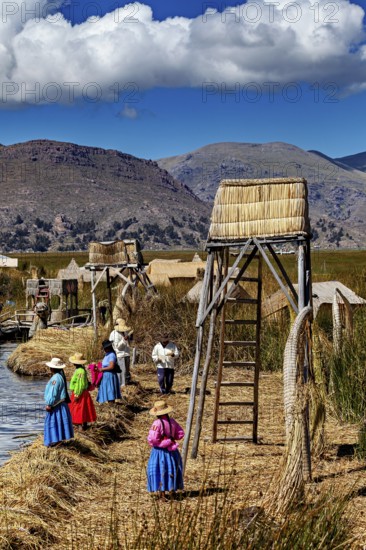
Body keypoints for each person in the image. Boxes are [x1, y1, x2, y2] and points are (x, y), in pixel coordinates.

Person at [147, 400, 184, 498]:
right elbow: (180, 434)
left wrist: (160, 443)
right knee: (171, 468)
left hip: (160, 452)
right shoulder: (172, 421)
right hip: (172, 451)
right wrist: (170, 439)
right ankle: (172, 491)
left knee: (160, 469)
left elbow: (153, 438)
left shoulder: (157, 423)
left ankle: (162, 494)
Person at [44, 357, 74, 447]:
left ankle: (57, 441)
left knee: (54, 423)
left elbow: (53, 393)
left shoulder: (55, 379)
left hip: (56, 405)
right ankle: (58, 440)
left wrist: (49, 404)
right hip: (61, 405)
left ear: (52, 368)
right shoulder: (60, 376)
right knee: (59, 423)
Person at [68, 352, 97, 431]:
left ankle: (80, 427)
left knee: (78, 410)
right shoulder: (80, 370)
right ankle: (83, 426)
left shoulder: (80, 371)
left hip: (79, 393)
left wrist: (77, 395)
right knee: (83, 409)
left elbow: (80, 384)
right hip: (83, 393)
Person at [109, 318, 133, 386]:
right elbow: (117, 347)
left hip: (127, 353)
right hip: (120, 355)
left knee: (127, 371)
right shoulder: (114, 334)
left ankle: (127, 383)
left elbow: (128, 343)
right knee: (122, 371)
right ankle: (121, 385)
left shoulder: (125, 332)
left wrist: (130, 337)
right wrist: (124, 340)